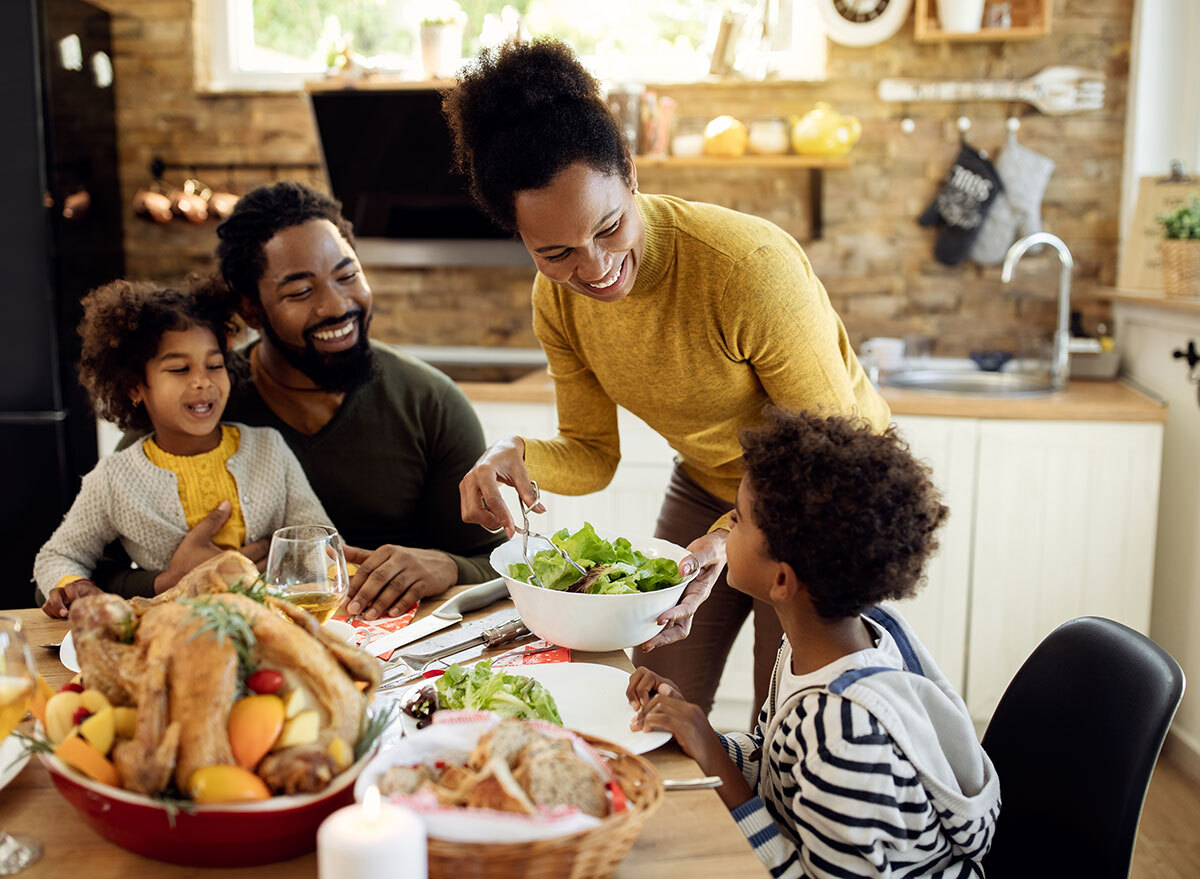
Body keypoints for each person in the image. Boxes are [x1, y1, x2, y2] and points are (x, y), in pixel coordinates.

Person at [446, 39, 891, 716]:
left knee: (791, 716)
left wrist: (734, 532)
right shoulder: (557, 301)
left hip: (825, 497)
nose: (595, 268)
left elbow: (834, 455)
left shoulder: (745, 269)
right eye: (556, 252)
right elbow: (593, 454)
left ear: (629, 172)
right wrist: (514, 456)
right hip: (710, 481)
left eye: (609, 227)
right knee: (653, 697)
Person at [626, 410, 1000, 878]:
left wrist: (718, 765)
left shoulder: (845, 733)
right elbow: (779, 763)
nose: (725, 530)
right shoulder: (827, 647)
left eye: (737, 520)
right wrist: (698, 731)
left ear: (782, 580)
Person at [107, 182, 503, 620]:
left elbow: (499, 564)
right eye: (299, 292)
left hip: (407, 650)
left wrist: (449, 566)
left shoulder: (431, 403)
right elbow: (85, 572)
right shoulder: (199, 401)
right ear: (251, 310)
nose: (336, 305)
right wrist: (168, 581)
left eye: (347, 276)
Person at [36, 277, 330, 617]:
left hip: (271, 621)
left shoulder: (269, 448)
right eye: (179, 368)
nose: (202, 381)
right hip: (172, 629)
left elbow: (319, 542)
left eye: (215, 365)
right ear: (134, 386)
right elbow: (58, 555)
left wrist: (286, 568)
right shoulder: (113, 480)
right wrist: (73, 584)